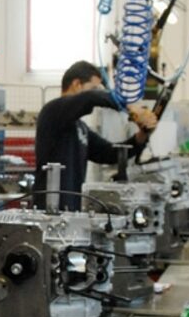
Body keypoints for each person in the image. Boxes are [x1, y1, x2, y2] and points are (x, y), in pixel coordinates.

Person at [34, 60, 158, 211]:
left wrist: (142, 135)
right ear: (76, 84)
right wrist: (129, 106)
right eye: (94, 88)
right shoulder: (52, 112)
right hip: (48, 211)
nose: (99, 93)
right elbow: (90, 98)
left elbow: (109, 153)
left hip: (72, 210)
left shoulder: (80, 128)